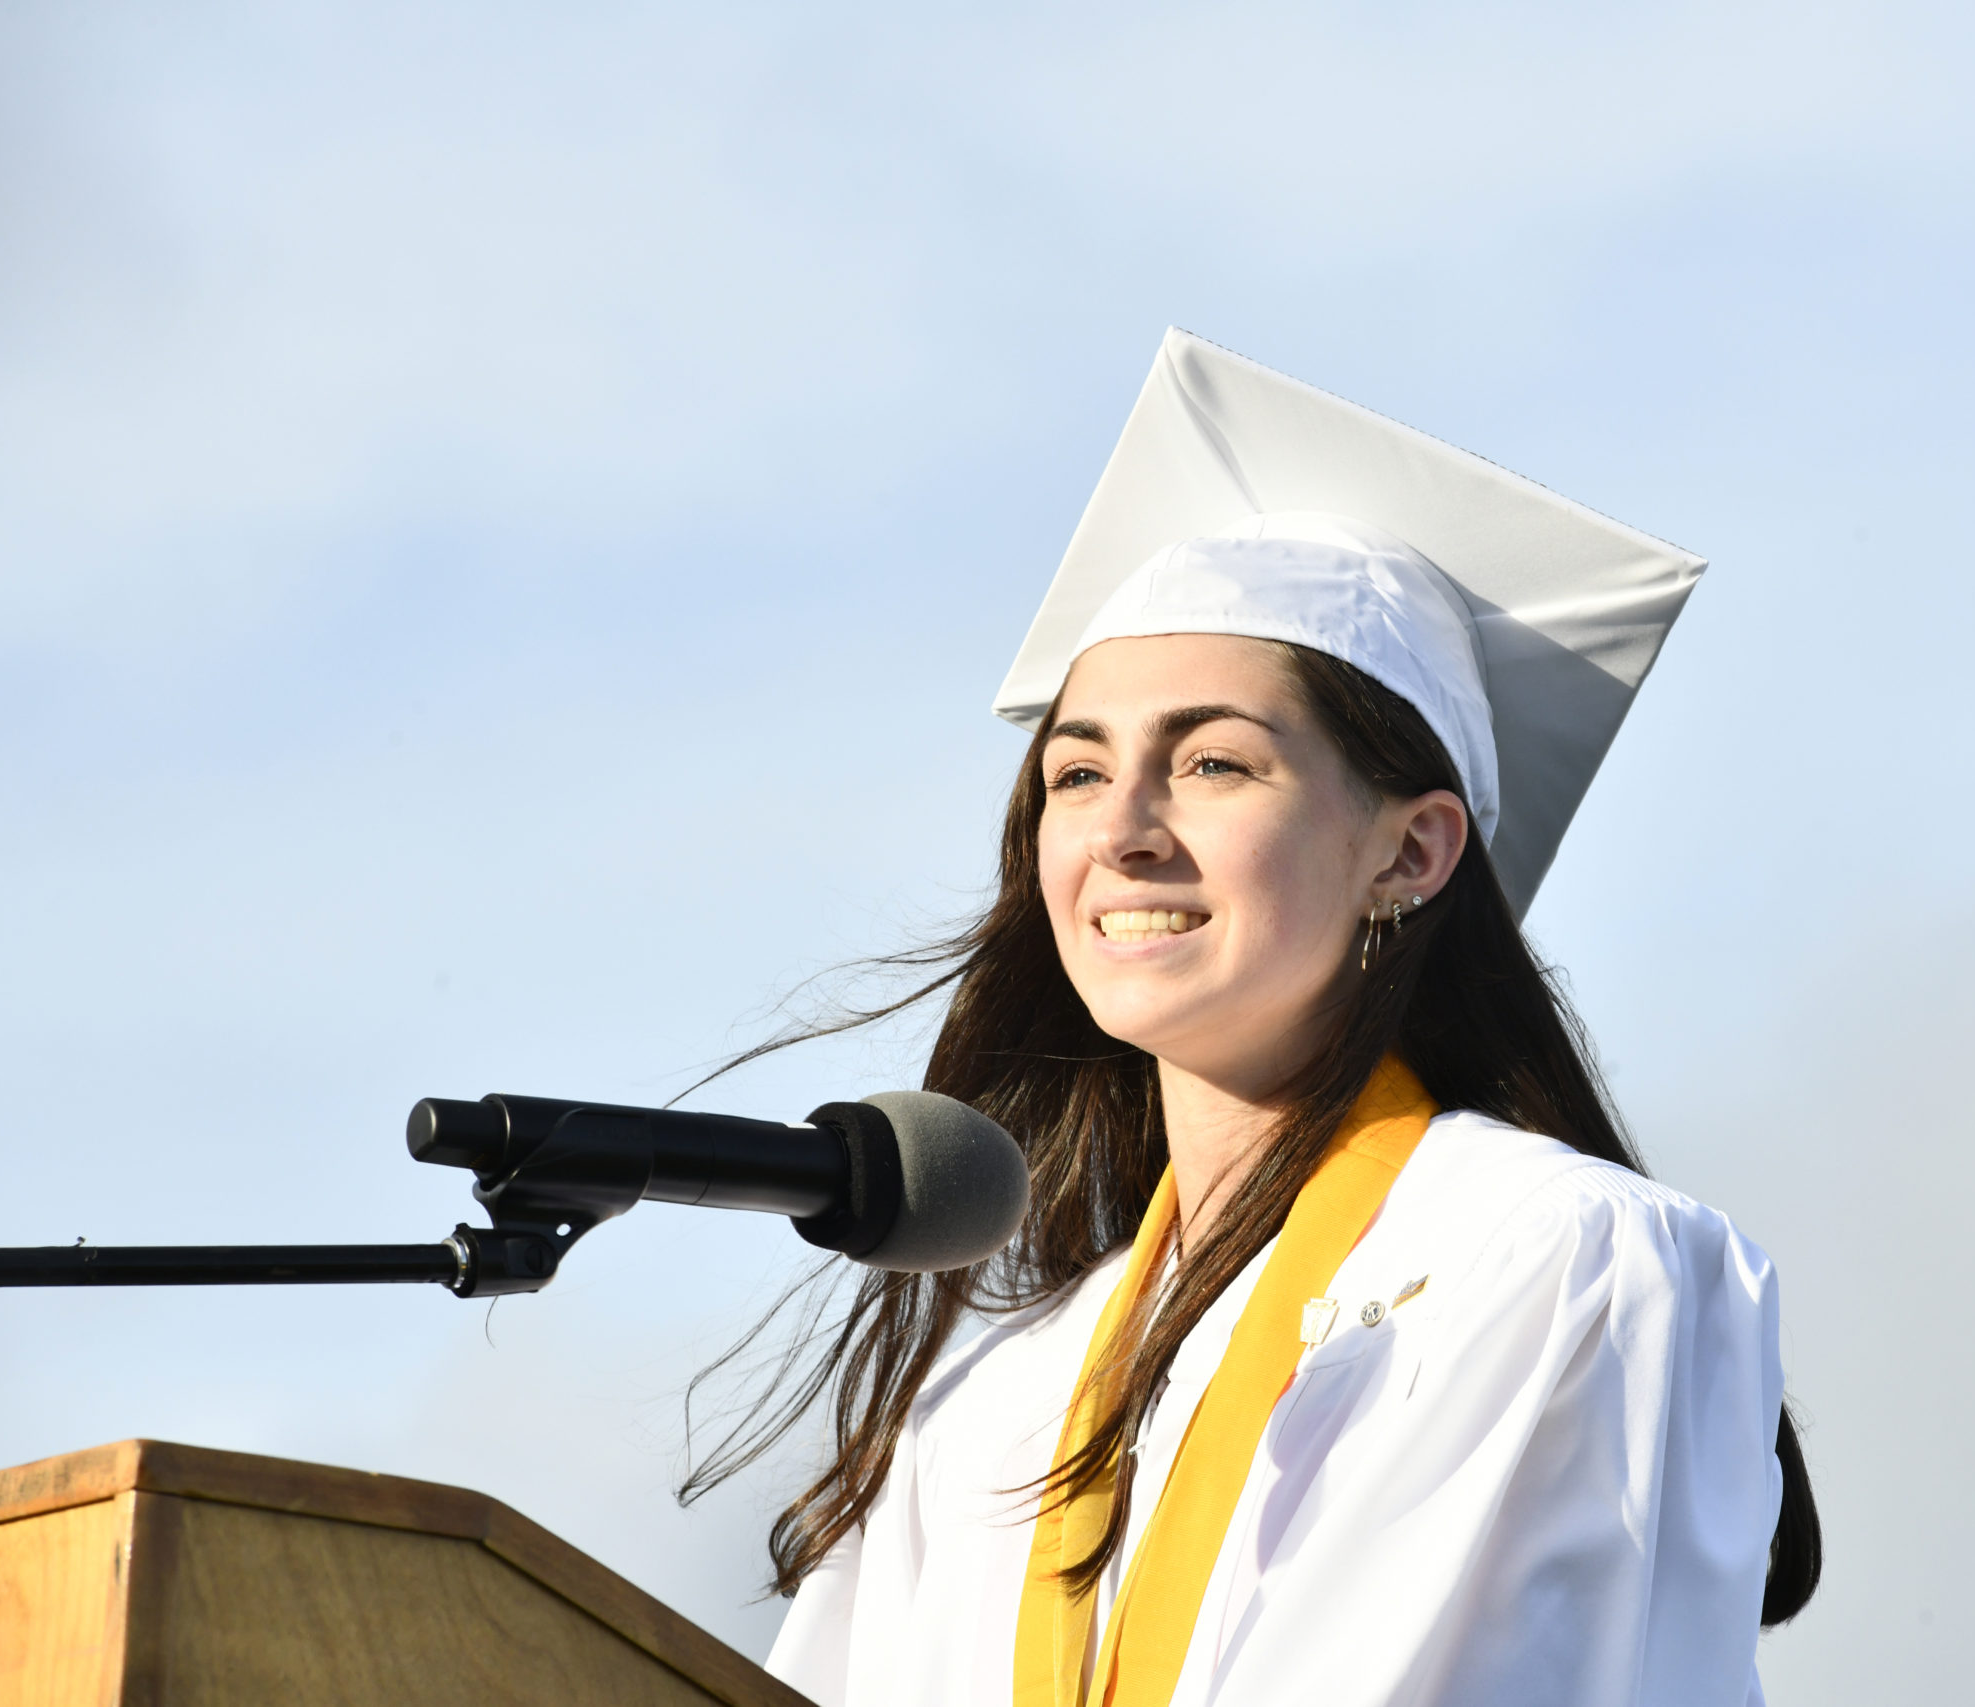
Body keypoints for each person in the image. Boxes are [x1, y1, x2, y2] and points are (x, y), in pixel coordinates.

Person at [698, 330, 1820, 1706]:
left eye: (1216, 761)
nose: (1121, 831)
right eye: (1076, 772)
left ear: (1411, 853)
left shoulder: (1553, 1259)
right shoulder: (994, 1399)